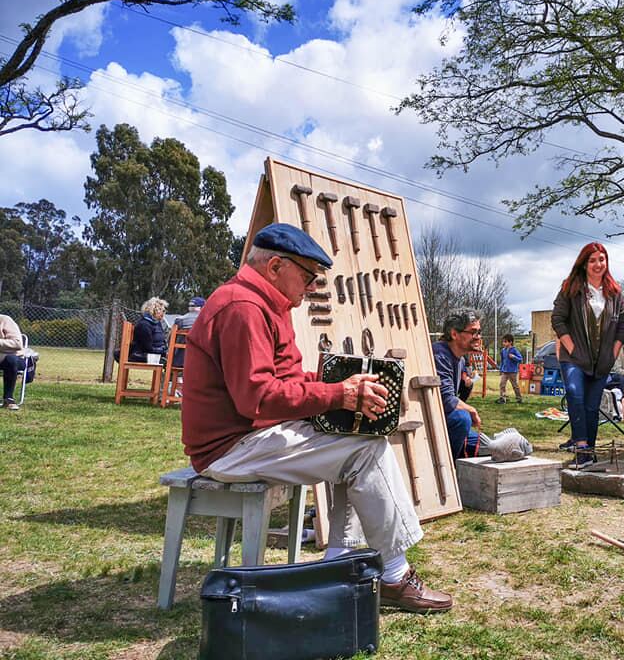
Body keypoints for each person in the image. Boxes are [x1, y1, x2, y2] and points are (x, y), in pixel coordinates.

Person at [181, 222, 452, 613]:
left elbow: (287, 381)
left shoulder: (266, 304)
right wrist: (338, 394)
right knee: (365, 448)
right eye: (308, 276)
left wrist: (341, 387)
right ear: (275, 266)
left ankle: (338, 559)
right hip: (230, 448)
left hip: (251, 436)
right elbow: (256, 397)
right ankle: (393, 575)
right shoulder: (243, 307)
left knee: (355, 436)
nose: (311, 287)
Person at [551, 242, 624, 468]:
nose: (597, 264)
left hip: (601, 361)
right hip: (573, 358)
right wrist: (571, 348)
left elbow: (622, 327)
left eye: (601, 259)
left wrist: (612, 354)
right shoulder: (570, 288)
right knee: (575, 393)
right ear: (584, 264)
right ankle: (582, 447)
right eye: (592, 260)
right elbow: (558, 319)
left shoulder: (615, 292)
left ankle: (588, 453)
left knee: (593, 406)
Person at [432, 308, 483, 459]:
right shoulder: (440, 355)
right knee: (462, 418)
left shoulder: (460, 359)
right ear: (454, 334)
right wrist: (471, 410)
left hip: (444, 419)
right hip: (431, 422)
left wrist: (468, 384)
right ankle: (447, 467)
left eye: (479, 332)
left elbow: (459, 395)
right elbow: (447, 400)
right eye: (473, 332)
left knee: (491, 446)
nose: (478, 337)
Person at [120, 297, 168, 363]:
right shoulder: (144, 325)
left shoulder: (157, 323)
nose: (163, 312)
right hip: (142, 355)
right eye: (161, 310)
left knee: (173, 358)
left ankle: (168, 372)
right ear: (153, 310)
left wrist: (165, 349)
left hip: (156, 353)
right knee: (170, 360)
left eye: (164, 310)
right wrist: (163, 351)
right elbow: (147, 348)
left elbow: (162, 341)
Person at [0, 314, 26, 410]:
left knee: (11, 360)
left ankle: (8, 399)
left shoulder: (4, 320)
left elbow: (17, 343)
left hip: (15, 358)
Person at [172, 296, 205, 368]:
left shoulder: (179, 320)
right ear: (202, 308)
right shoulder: (205, 320)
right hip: (200, 359)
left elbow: (171, 339)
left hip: (180, 358)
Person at [497, 333, 523, 404]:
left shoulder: (514, 350)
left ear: (510, 342)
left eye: (505, 342)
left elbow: (520, 359)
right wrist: (501, 369)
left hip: (512, 372)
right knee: (502, 385)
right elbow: (502, 360)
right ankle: (503, 398)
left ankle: (519, 398)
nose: (503, 343)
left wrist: (513, 357)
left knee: (515, 386)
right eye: (503, 342)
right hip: (504, 371)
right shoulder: (503, 350)